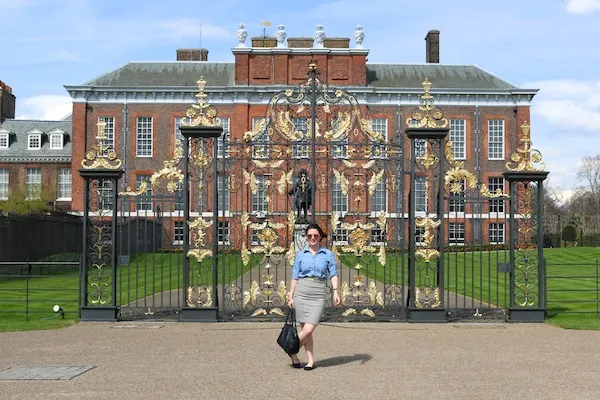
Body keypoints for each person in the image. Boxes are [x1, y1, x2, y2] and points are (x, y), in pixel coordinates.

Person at [287, 222, 340, 370]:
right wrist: (291, 296)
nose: (312, 238)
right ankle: (310, 361)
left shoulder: (328, 254)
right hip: (302, 291)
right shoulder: (300, 255)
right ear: (306, 237)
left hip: (318, 292)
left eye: (315, 235)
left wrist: (336, 291)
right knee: (305, 330)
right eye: (309, 235)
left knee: (309, 329)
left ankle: (290, 348)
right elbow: (295, 276)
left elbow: (333, 274)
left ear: (320, 236)